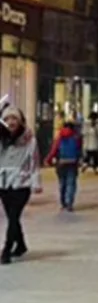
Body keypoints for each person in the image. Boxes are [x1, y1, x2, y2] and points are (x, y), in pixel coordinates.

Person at [0, 106, 41, 264]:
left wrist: (35, 181)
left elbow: (34, 161)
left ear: (20, 121)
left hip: (21, 183)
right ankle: (21, 245)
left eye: (14, 119)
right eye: (7, 119)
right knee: (12, 217)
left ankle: (7, 249)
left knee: (13, 216)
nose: (11, 122)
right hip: (3, 183)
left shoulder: (29, 139)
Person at [46, 119, 83, 212]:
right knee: (71, 183)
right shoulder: (76, 137)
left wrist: (48, 160)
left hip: (61, 163)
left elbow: (54, 150)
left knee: (62, 183)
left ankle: (63, 203)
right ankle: (69, 202)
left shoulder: (60, 137)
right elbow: (79, 151)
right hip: (73, 163)